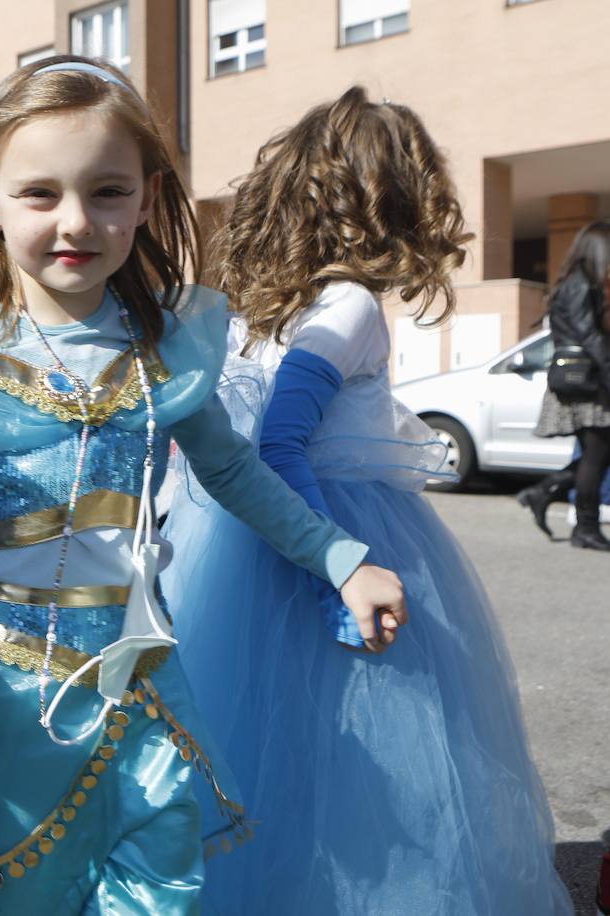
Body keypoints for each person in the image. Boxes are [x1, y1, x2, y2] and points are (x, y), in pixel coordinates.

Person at [0, 58, 407, 914]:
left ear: (150, 196)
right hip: (0, 698)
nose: (76, 221)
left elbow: (235, 471)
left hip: (142, 693)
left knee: (149, 884)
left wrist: (342, 559)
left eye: (109, 191)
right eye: (39, 193)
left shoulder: (171, 343)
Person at [159, 88, 572, 914]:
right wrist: (333, 578)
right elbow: (281, 442)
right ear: (390, 199)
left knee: (274, 752)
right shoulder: (346, 305)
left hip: (251, 546)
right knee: (358, 763)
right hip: (328, 540)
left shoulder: (268, 309)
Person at [526, 220, 610, 550]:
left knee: (597, 454)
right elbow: (589, 335)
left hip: (590, 379)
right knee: (596, 455)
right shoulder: (580, 285)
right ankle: (585, 528)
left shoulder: (581, 283)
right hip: (588, 382)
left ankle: (544, 490)